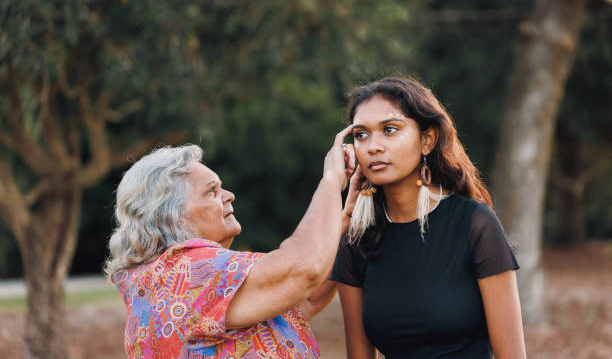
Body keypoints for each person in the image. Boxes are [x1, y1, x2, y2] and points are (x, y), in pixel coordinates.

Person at [105, 125, 358, 358]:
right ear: (172, 216)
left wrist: (344, 221)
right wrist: (331, 181)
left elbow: (303, 298)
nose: (229, 195)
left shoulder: (162, 284)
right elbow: (303, 270)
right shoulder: (186, 275)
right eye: (211, 190)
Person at [331, 76, 526, 358]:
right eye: (361, 134)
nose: (373, 146)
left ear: (427, 139)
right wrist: (331, 184)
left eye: (389, 130)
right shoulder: (356, 241)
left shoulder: (475, 225)